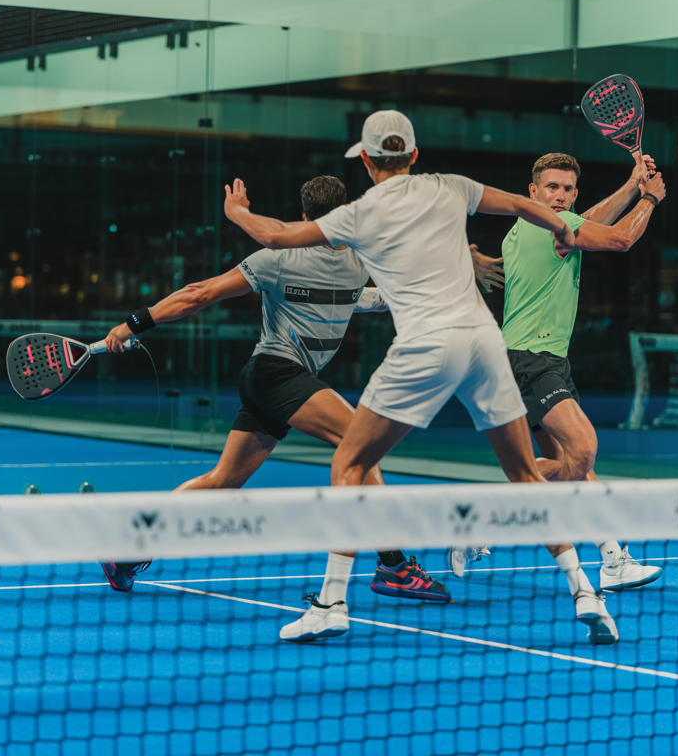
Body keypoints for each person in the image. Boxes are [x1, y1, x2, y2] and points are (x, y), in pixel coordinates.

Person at [224, 110, 621, 646]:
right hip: (484, 342)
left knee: (351, 461)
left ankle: (331, 604)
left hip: (426, 347)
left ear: (366, 161)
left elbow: (275, 237)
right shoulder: (453, 187)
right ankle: (585, 592)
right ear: (414, 156)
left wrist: (238, 212)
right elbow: (528, 206)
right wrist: (568, 227)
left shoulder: (359, 214)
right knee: (527, 473)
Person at [99, 175, 451, 605]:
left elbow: (199, 295)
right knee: (359, 439)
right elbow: (385, 288)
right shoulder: (359, 258)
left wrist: (134, 322)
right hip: (275, 373)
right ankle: (394, 566)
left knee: (222, 481)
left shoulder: (284, 258)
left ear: (303, 217)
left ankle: (127, 552)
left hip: (269, 379)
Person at [466, 151, 665, 594]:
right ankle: (489, 510)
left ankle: (613, 557)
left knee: (571, 466)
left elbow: (589, 218)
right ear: (532, 191)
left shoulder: (528, 226)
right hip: (529, 362)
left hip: (534, 360)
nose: (560, 196)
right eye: (551, 187)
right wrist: (649, 199)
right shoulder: (549, 227)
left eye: (568, 189)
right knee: (584, 451)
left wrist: (632, 184)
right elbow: (619, 240)